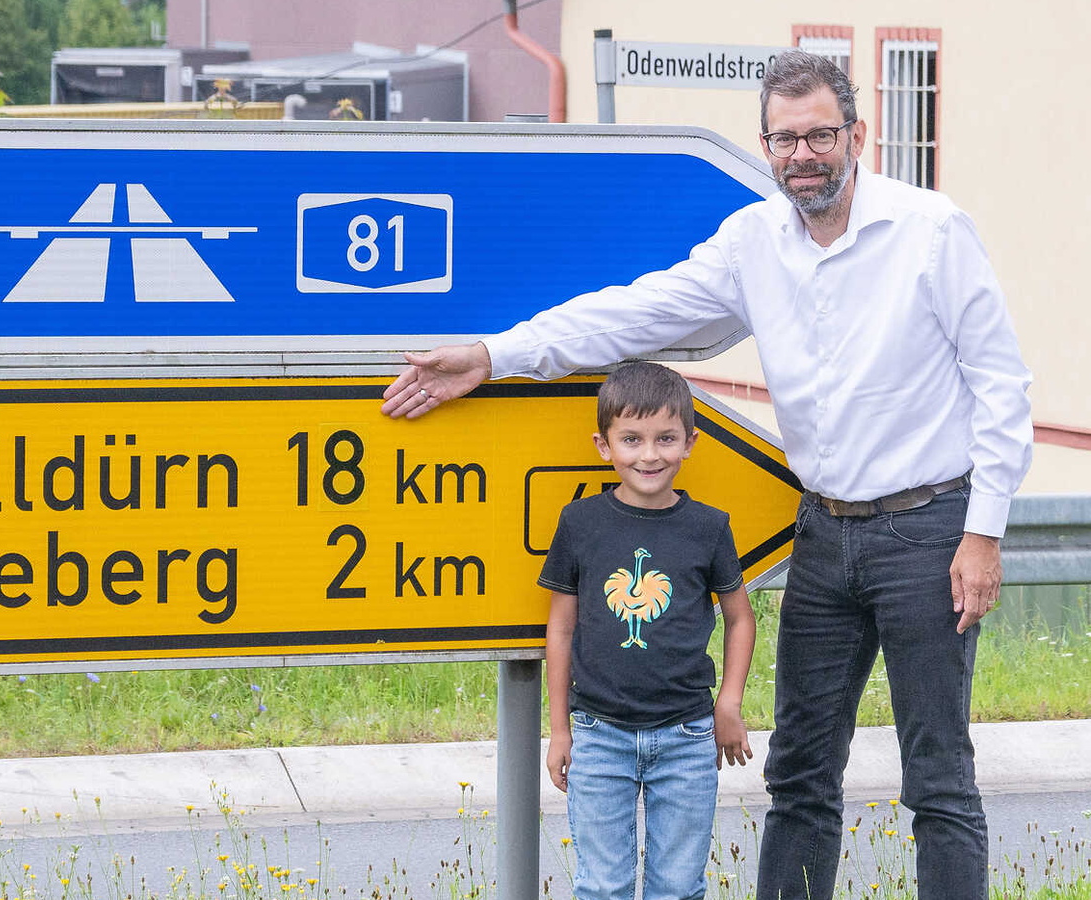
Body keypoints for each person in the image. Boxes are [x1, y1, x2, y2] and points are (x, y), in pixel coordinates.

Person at [380, 50, 1032, 900]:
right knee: (798, 771)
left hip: (931, 533)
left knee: (938, 779)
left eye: (821, 136)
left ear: (857, 136)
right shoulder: (752, 243)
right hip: (826, 534)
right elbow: (635, 310)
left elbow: (1001, 384)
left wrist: (982, 534)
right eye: (786, 139)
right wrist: (495, 354)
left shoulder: (931, 230)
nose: (804, 154)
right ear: (766, 145)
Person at [542, 361, 755, 900]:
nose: (649, 454)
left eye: (665, 438)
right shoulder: (580, 524)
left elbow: (739, 617)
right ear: (604, 445)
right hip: (598, 733)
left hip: (686, 736)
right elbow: (561, 628)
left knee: (678, 887)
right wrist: (561, 729)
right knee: (603, 886)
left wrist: (727, 704)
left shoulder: (709, 527)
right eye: (631, 439)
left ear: (690, 443)